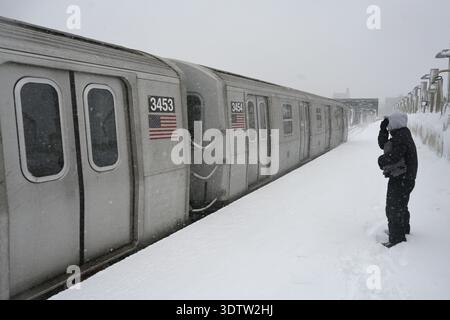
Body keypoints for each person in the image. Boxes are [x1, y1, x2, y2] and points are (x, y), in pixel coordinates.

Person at [377, 112, 418, 248]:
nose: (388, 127)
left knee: (393, 207)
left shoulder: (401, 137)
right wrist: (382, 129)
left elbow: (393, 156)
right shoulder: (401, 134)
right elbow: (384, 144)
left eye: (389, 124)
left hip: (403, 178)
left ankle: (396, 239)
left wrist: (380, 161)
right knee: (401, 205)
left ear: (395, 123)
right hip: (405, 177)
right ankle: (402, 230)